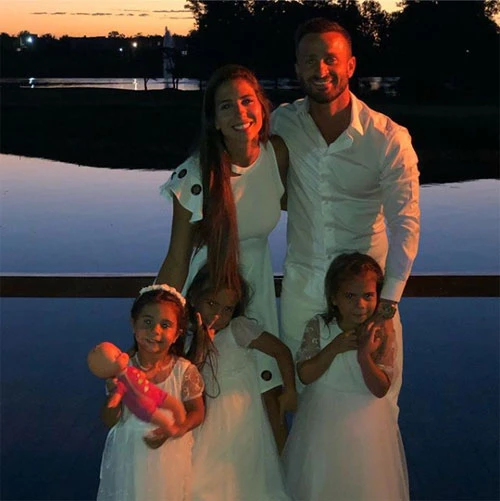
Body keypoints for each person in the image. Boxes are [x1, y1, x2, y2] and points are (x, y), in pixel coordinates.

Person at [271, 18, 420, 404]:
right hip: (303, 291)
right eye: (309, 60)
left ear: (350, 66)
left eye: (330, 59)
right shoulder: (281, 123)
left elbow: (405, 223)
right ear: (297, 68)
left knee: (373, 403)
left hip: (365, 299)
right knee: (305, 403)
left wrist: (387, 302)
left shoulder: (388, 138)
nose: (320, 70)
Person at [156, 64, 289, 448]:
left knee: (267, 398)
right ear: (214, 120)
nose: (240, 113)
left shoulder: (277, 154)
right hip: (210, 294)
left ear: (262, 107)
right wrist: (158, 323)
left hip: (257, 286)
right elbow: (177, 258)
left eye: (247, 101)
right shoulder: (196, 174)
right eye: (226, 106)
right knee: (210, 401)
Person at [283, 252, 409, 500]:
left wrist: (364, 356)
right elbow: (305, 375)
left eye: (368, 296)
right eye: (350, 296)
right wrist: (333, 348)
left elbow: (380, 388)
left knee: (364, 484)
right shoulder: (319, 326)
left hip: (366, 423)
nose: (360, 304)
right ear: (334, 298)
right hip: (322, 421)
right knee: (323, 481)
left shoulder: (381, 332)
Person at [186, 266, 296, 500]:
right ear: (195, 298)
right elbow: (189, 375)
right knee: (203, 479)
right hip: (207, 420)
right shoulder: (187, 337)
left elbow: (281, 351)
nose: (218, 315)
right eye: (212, 304)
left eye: (227, 309)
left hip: (241, 417)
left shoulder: (238, 329)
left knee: (244, 477)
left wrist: (290, 390)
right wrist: (201, 344)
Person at [96, 284, 205, 501]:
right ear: (133, 324)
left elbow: (197, 411)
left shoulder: (183, 371)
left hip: (169, 457)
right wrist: (114, 397)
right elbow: (109, 420)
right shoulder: (122, 370)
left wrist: (177, 429)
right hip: (129, 456)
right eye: (147, 322)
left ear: (177, 334)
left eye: (165, 325)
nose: (155, 331)